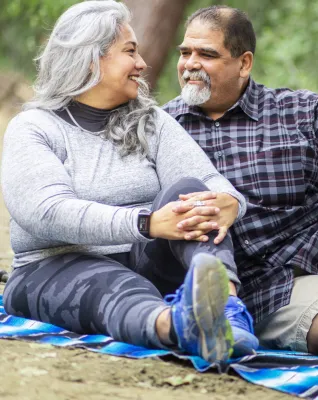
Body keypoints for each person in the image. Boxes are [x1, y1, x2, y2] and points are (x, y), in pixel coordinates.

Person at [0, 0, 259, 365]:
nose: (142, 63)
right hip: (54, 265)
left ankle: (228, 311)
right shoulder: (35, 128)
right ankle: (182, 327)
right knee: (117, 286)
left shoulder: (149, 120)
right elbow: (45, 212)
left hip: (143, 260)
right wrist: (147, 223)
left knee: (190, 192)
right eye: (130, 51)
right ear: (91, 59)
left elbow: (206, 181)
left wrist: (230, 201)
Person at [163, 5, 318, 356]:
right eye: (185, 52)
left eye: (207, 54)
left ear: (244, 63)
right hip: (260, 291)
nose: (190, 64)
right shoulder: (163, 129)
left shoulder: (298, 111)